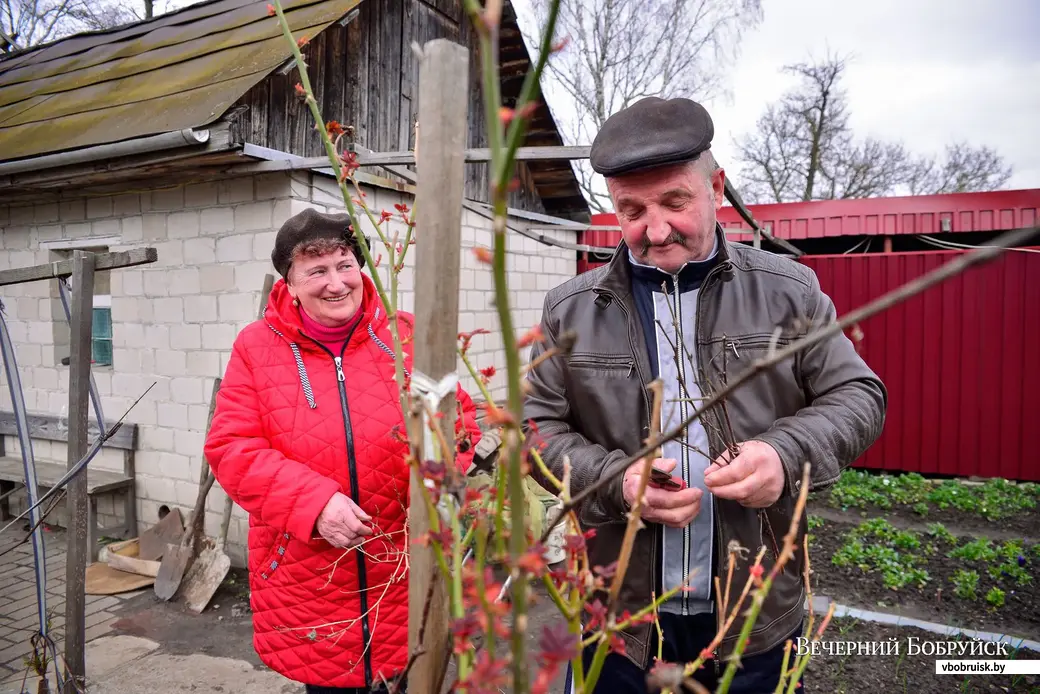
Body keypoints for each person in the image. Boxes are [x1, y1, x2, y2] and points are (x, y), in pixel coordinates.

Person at [523, 97, 886, 693]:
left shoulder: (788, 291)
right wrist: (614, 481)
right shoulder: (571, 308)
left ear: (715, 187)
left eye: (674, 202)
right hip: (617, 613)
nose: (655, 229)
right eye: (631, 210)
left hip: (755, 609)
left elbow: (858, 394)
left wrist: (783, 454)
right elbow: (537, 431)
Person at [204, 208, 483, 694]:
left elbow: (458, 422)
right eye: (316, 270)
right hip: (312, 579)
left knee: (412, 678)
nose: (336, 282)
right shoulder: (256, 347)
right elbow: (231, 447)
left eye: (344, 264)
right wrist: (312, 505)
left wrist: (437, 481)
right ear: (289, 284)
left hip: (403, 570)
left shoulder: (405, 335)